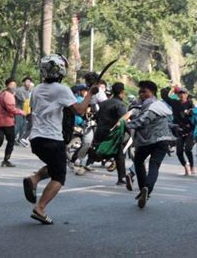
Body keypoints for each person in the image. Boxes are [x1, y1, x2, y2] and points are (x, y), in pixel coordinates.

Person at [23, 54, 97, 225]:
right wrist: (90, 94)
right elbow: (79, 110)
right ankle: (40, 208)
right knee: (59, 176)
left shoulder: (36, 90)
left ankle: (34, 179)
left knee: (55, 165)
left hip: (36, 138)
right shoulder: (61, 89)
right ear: (61, 69)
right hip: (52, 138)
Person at [126, 81, 175, 208]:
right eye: (140, 91)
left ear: (152, 92)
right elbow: (166, 121)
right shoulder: (160, 105)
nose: (141, 94)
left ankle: (144, 188)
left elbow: (142, 121)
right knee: (153, 165)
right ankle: (146, 190)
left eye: (144, 91)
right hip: (163, 140)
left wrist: (124, 125)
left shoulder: (151, 105)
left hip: (149, 141)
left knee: (139, 161)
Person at [0, 78, 25, 167]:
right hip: (8, 122)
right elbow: (11, 109)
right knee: (11, 141)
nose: (14, 87)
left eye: (15, 85)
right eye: (12, 85)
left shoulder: (1, 95)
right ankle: (6, 160)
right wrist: (21, 112)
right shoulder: (9, 96)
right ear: (7, 86)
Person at [94, 82, 128, 184]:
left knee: (102, 151)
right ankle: (121, 178)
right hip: (112, 133)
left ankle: (91, 155)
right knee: (119, 154)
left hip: (100, 131)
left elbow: (97, 116)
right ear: (122, 92)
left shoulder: (104, 103)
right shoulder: (121, 104)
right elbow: (123, 120)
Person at [162, 87, 195, 175]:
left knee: (188, 150)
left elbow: (195, 115)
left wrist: (190, 112)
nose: (181, 95)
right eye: (180, 93)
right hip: (178, 129)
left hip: (189, 129)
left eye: (183, 93)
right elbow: (165, 97)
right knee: (179, 151)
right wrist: (173, 89)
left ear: (187, 95)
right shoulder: (174, 102)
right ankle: (185, 167)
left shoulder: (190, 104)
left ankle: (192, 166)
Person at [14, 77, 33, 146]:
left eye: (29, 82)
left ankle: (20, 139)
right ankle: (12, 138)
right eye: (27, 82)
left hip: (25, 111)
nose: (28, 83)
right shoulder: (20, 90)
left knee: (23, 125)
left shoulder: (28, 91)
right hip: (18, 110)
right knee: (18, 124)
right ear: (24, 82)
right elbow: (23, 100)